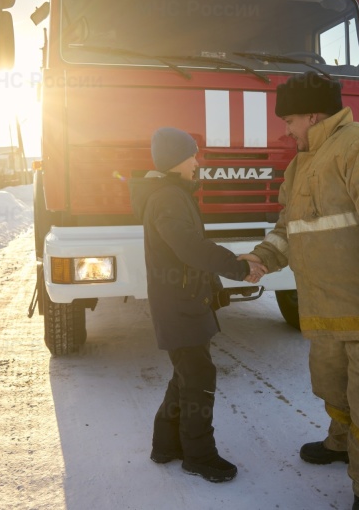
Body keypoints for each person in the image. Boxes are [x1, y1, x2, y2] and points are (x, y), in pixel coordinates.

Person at [240, 72, 359, 510]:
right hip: (329, 315)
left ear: (312, 114)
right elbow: (291, 229)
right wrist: (264, 257)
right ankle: (341, 443)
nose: (285, 129)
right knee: (335, 391)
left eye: (289, 120)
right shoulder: (302, 162)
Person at [128, 126, 266, 483]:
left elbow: (189, 250)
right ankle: (199, 455)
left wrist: (217, 283)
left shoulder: (171, 193)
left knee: (187, 374)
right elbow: (189, 247)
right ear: (177, 160)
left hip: (184, 299)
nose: (198, 162)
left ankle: (166, 445)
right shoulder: (169, 197)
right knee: (198, 377)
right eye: (193, 155)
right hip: (179, 304)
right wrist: (237, 266)